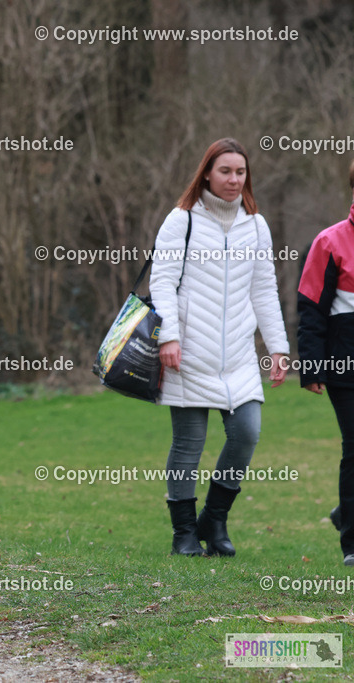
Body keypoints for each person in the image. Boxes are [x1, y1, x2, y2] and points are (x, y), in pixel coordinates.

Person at [150, 138, 288, 557]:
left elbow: (264, 289)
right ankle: (185, 534)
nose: (233, 179)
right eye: (225, 171)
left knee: (246, 433)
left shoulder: (256, 225)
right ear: (207, 172)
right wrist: (169, 335)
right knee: (188, 445)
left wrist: (278, 347)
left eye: (240, 172)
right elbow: (162, 282)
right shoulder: (182, 220)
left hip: (240, 356)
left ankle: (215, 518)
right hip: (189, 351)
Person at [297, 159, 354, 566]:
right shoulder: (330, 242)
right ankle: (352, 541)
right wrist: (312, 367)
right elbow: (312, 309)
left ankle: (343, 512)